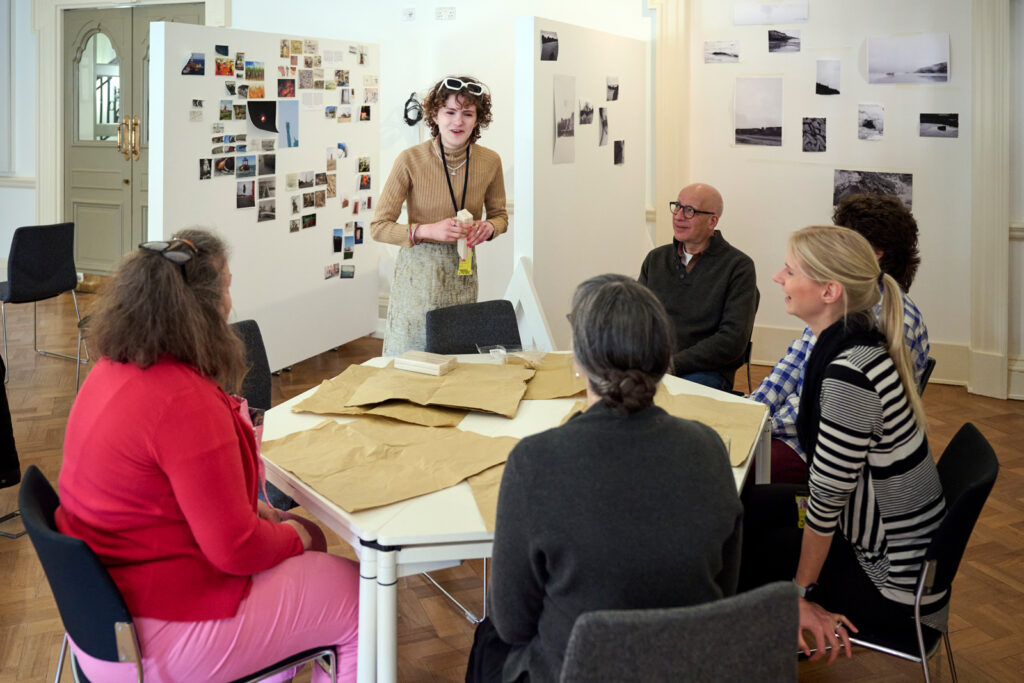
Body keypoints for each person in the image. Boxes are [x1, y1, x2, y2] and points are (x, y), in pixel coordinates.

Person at [55, 229, 359, 682]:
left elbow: (170, 501)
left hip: (101, 620)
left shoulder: (110, 369)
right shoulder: (183, 400)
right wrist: (294, 535)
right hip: (152, 640)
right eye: (227, 287)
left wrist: (267, 523)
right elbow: (236, 550)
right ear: (203, 306)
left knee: (304, 547)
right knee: (360, 597)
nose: (231, 303)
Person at [467, 274, 743, 683]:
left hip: (574, 670)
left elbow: (512, 624)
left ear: (578, 361)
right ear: (664, 357)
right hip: (687, 667)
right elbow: (725, 589)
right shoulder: (710, 449)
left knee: (488, 639)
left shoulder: (535, 461)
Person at [740, 225, 946, 664]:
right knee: (745, 505)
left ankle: (755, 654)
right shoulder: (855, 342)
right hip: (888, 547)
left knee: (743, 552)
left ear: (830, 291)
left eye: (790, 270)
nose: (777, 277)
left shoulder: (849, 374)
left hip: (888, 583)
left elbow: (826, 501)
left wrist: (800, 593)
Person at [749, 193, 930, 483]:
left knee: (725, 468)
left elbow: (829, 414)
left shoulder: (888, 320)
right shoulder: (841, 303)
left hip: (827, 457)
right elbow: (794, 366)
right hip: (806, 437)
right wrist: (751, 412)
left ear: (872, 253)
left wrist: (761, 428)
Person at [371, 75, 508, 356]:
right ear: (435, 115)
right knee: (411, 357)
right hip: (417, 278)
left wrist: (489, 228)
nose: (458, 121)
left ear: (478, 119)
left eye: (468, 113)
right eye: (450, 112)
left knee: (458, 357)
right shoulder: (410, 159)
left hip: (462, 272)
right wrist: (426, 230)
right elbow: (378, 227)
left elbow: (500, 217)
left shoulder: (490, 161)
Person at [638, 182, 758, 391]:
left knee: (673, 402)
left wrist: (672, 365)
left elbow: (732, 340)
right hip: (654, 363)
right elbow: (636, 317)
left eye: (690, 210)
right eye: (677, 206)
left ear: (712, 221)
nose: (679, 216)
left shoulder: (739, 267)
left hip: (705, 370)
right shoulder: (656, 259)